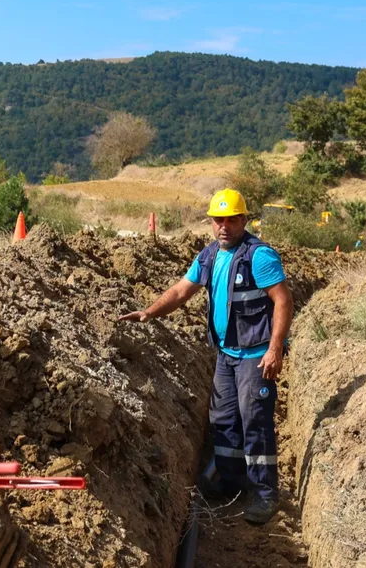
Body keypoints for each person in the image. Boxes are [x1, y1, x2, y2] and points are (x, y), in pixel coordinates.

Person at [119, 189, 294, 524]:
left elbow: (283, 301)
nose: (224, 226)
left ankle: (265, 495)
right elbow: (181, 291)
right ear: (211, 223)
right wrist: (149, 312)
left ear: (244, 219)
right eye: (218, 220)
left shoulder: (259, 256)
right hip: (226, 355)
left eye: (231, 219)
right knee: (224, 422)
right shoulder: (210, 255)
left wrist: (275, 349)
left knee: (254, 423)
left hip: (255, 356)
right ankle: (231, 484)